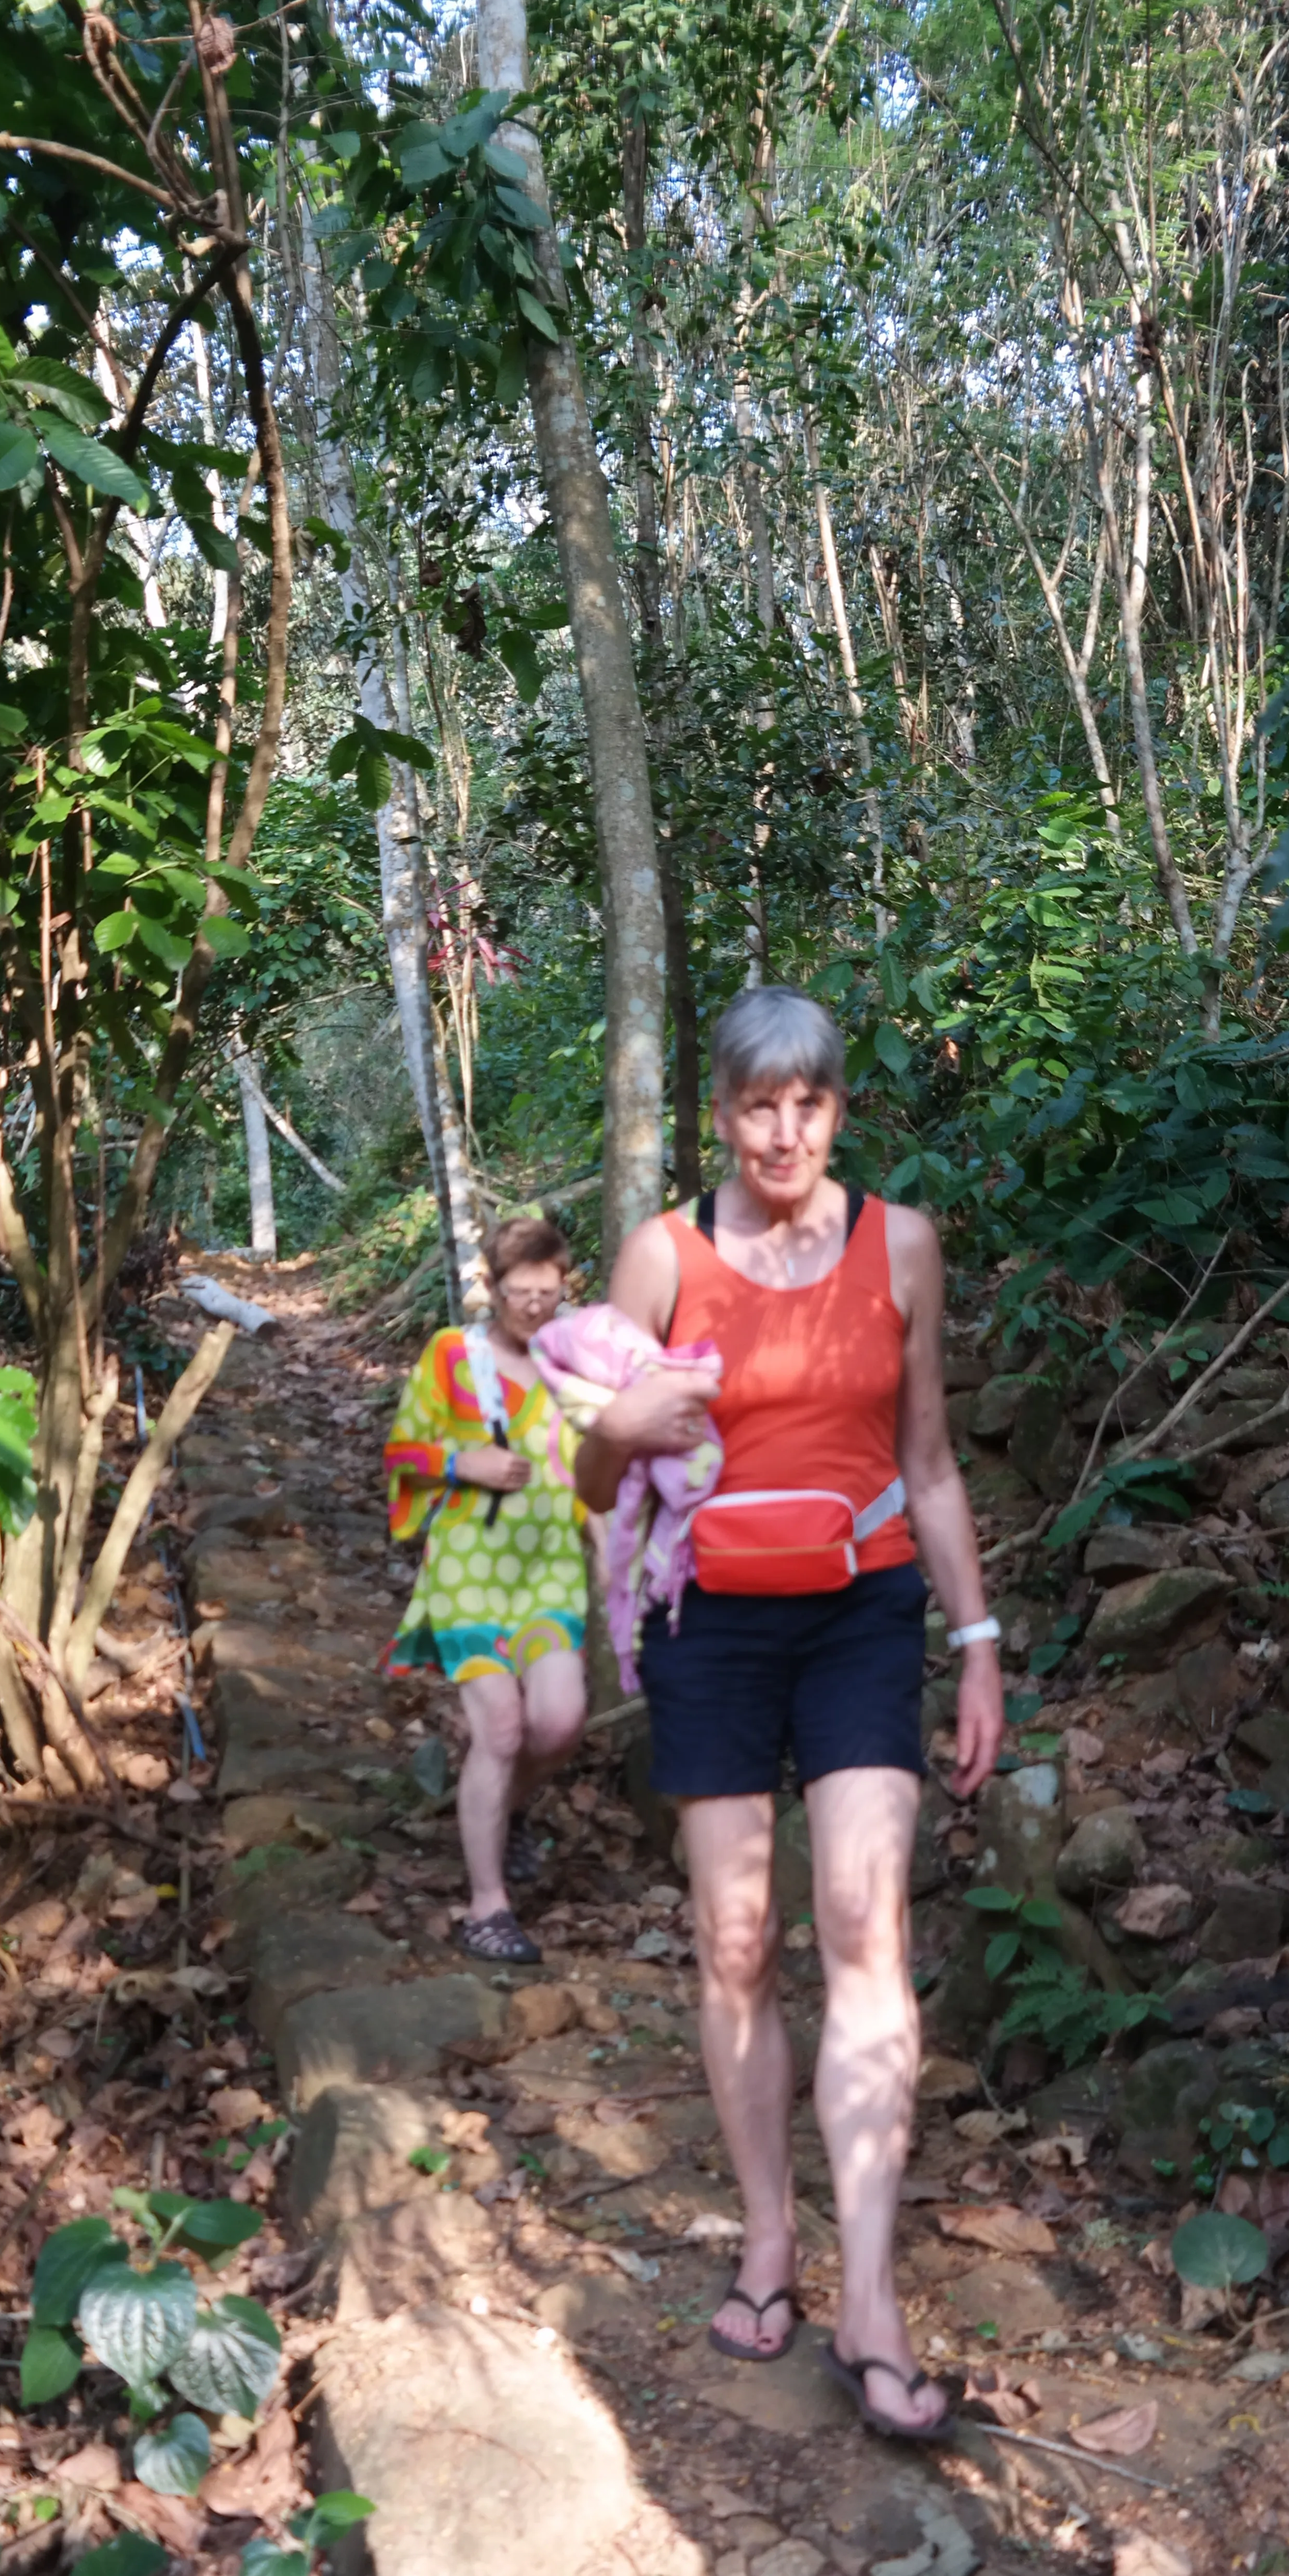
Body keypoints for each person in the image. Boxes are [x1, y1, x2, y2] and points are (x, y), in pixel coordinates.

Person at [574, 986, 1004, 2440]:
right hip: (708, 1620)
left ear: (837, 1108)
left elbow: (931, 1461)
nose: (784, 1130)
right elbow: (597, 1477)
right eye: (758, 1105)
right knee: (739, 1937)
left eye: (808, 1103)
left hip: (861, 1609)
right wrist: (606, 1436)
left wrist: (984, 1642)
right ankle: (771, 2236)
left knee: (864, 1920)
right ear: (723, 1115)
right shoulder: (662, 1258)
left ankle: (868, 2299)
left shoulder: (905, 1246)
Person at [383, 1215, 590, 1964]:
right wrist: (458, 1464)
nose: (535, 1307)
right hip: (469, 1570)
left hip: (551, 1570)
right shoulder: (453, 1356)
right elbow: (400, 1450)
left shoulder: (578, 1364)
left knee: (561, 1723)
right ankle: (488, 1906)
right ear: (492, 1288)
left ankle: (505, 1811)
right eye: (520, 1292)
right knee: (501, 1727)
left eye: (549, 1292)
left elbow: (599, 1469)